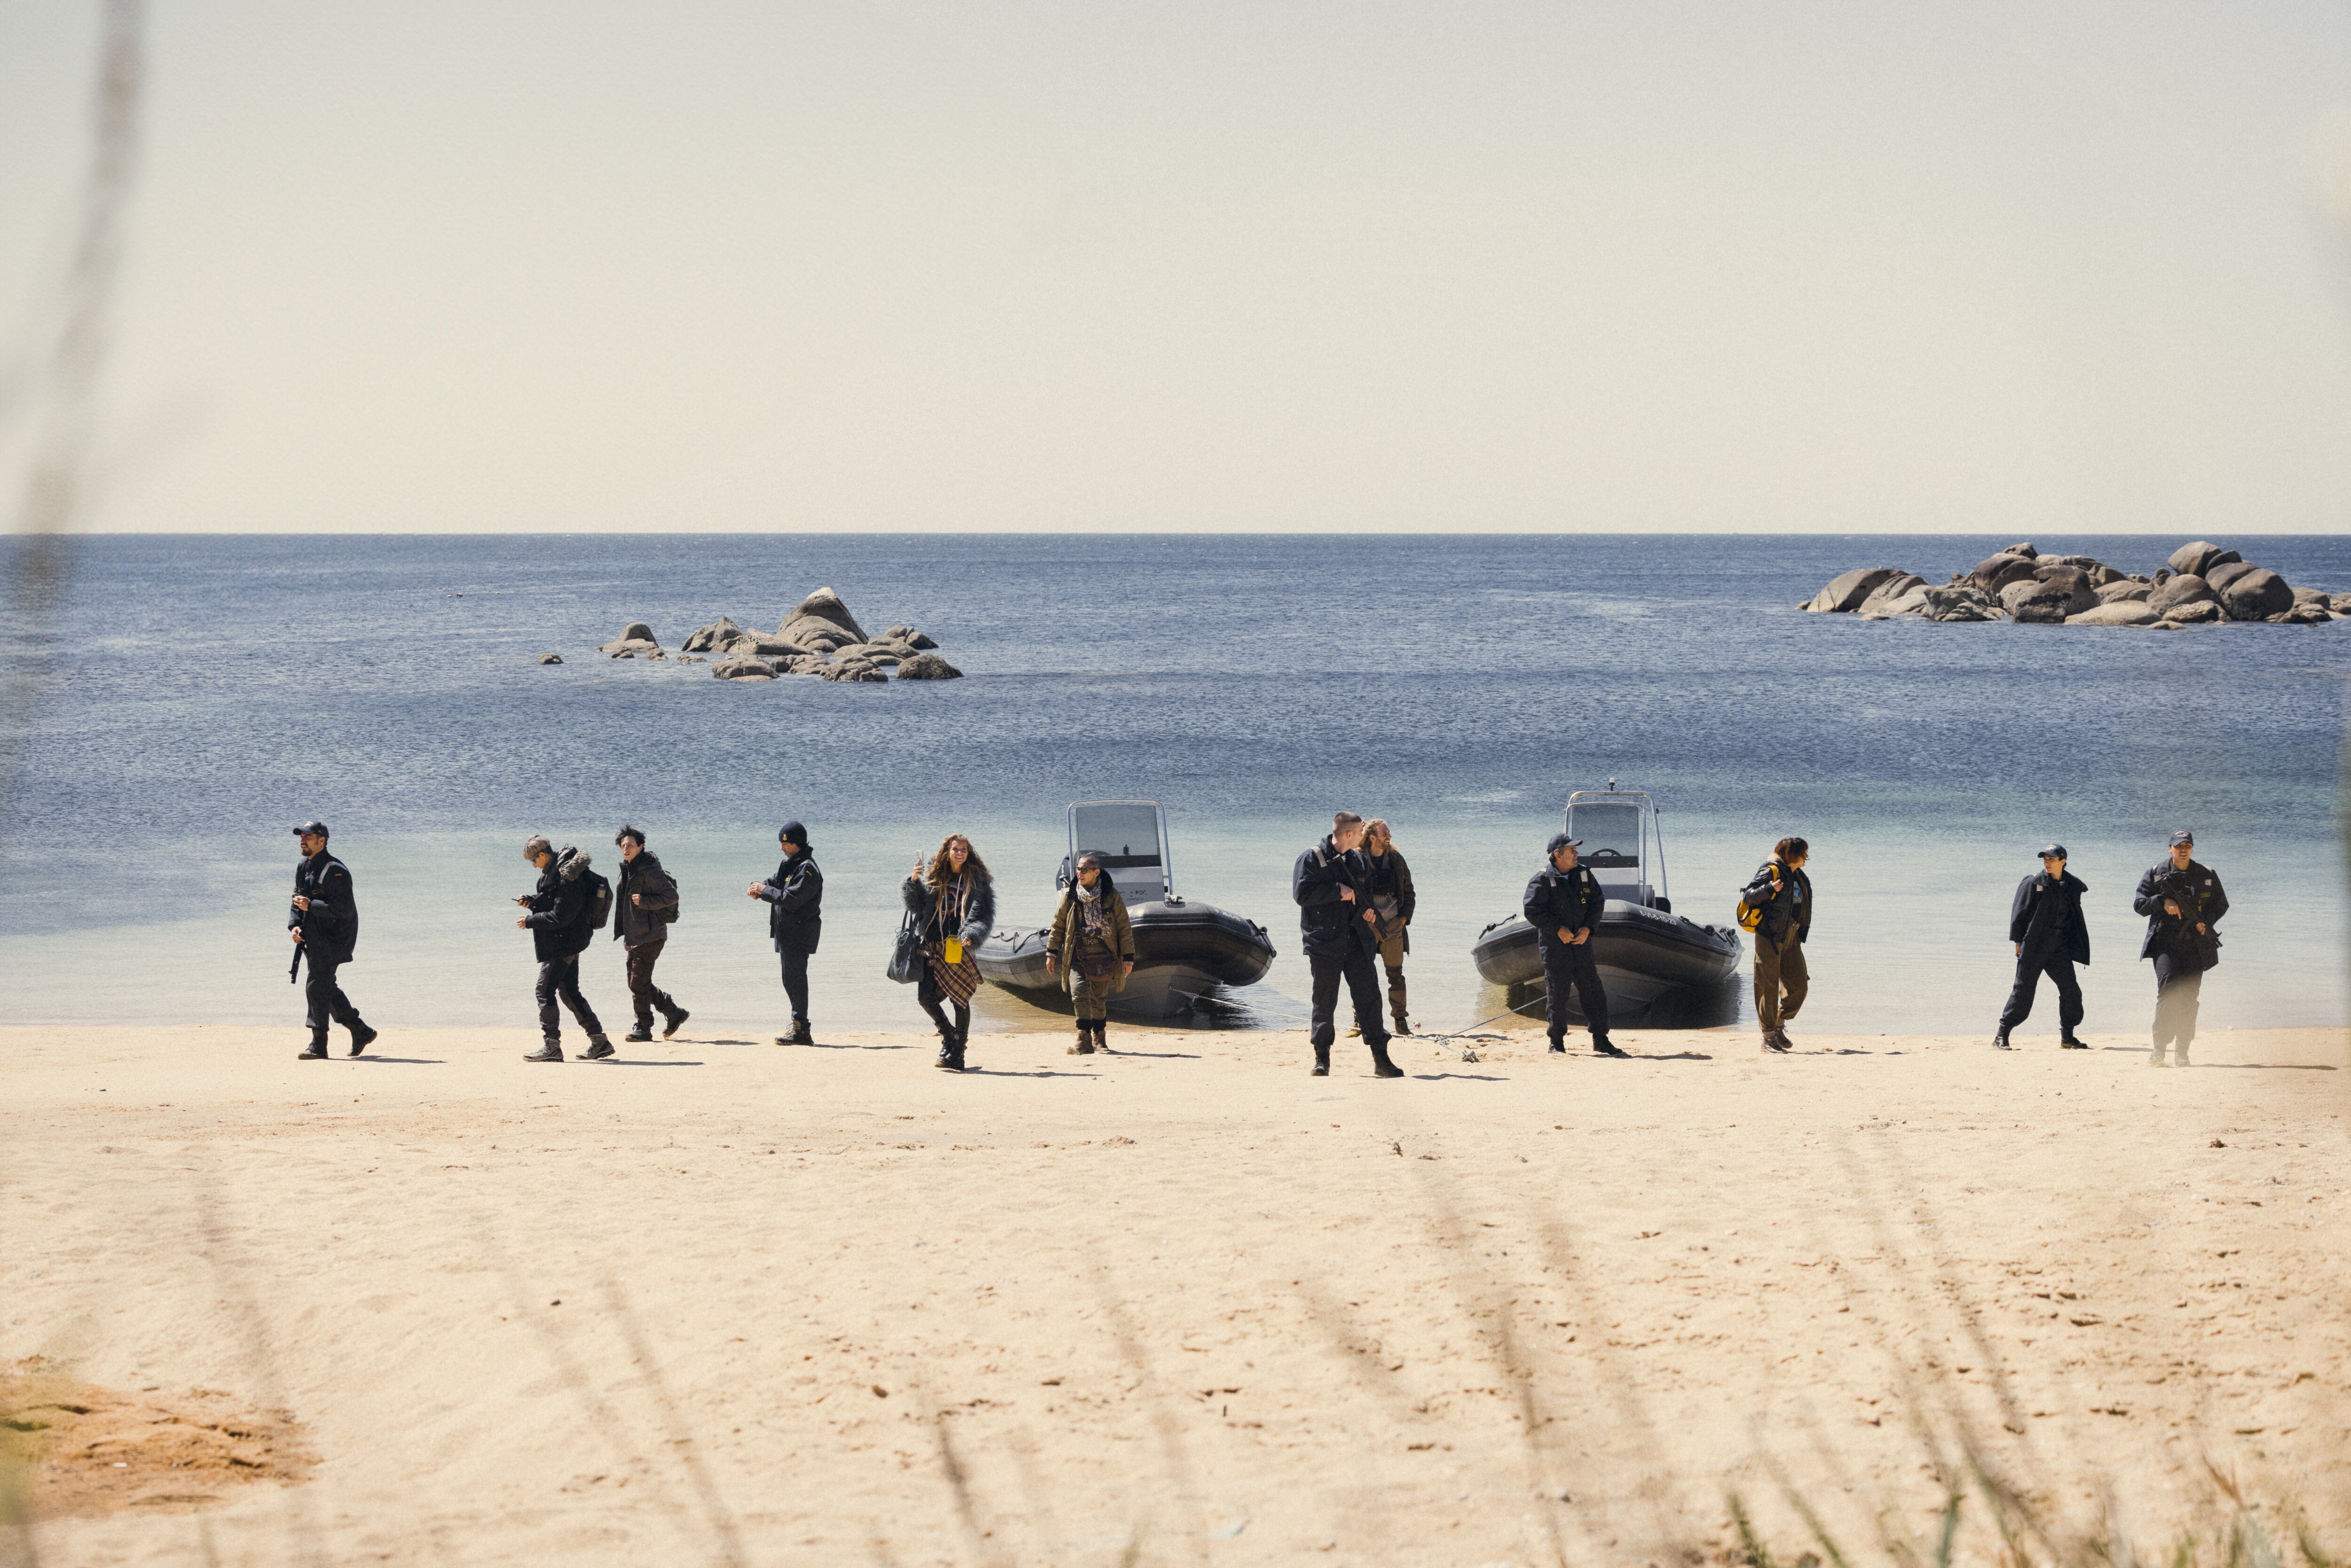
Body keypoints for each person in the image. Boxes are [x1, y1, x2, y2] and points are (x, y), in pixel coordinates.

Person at [1292, 811, 1403, 1079]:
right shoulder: (1311, 858)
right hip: (1324, 943)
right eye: (1360, 832)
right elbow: (1301, 894)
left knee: (1370, 1001)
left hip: (1357, 942)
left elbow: (1364, 897)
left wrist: (1369, 913)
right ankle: (1322, 1060)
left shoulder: (1358, 860)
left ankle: (1381, 1059)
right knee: (1324, 1002)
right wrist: (1336, 891)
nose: (1364, 836)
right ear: (1349, 834)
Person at [2133, 830, 2227, 1067]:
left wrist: (2206, 922)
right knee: (2168, 994)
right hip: (2165, 944)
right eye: (2178, 846)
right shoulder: (2156, 873)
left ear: (2192, 849)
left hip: (2196, 945)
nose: (2183, 849)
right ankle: (2159, 1050)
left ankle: (2182, 1051)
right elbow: (2139, 905)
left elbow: (2221, 904)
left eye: (2188, 845)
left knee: (2189, 999)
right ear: (2170, 849)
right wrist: (2161, 902)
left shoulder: (2206, 874)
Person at [1523, 832, 1621, 1056]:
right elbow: (1532, 910)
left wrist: (1589, 928)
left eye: (1576, 850)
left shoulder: (1584, 874)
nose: (1576, 853)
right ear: (1558, 855)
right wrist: (1558, 929)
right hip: (1555, 946)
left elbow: (1597, 902)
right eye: (1571, 850)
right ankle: (1556, 1043)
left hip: (1582, 943)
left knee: (1594, 992)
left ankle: (1601, 1040)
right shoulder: (1542, 879)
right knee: (1558, 994)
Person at [515, 835, 612, 1063]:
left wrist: (530, 921)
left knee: (544, 991)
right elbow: (552, 900)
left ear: (542, 855)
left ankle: (552, 1046)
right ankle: (600, 1042)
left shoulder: (566, 876)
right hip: (568, 940)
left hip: (564, 942)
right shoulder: (555, 872)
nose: (533, 865)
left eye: (533, 861)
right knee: (569, 991)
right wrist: (533, 901)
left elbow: (562, 916)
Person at [903, 834, 994, 1072]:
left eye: (964, 849)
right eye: (956, 849)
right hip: (931, 943)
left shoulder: (977, 880)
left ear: (969, 852)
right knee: (925, 997)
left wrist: (971, 935)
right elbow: (918, 907)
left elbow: (982, 916)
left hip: (957, 944)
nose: (960, 853)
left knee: (960, 998)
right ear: (948, 852)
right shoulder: (935, 875)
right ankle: (950, 1036)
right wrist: (914, 882)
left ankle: (958, 1051)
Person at [288, 820, 376, 1060]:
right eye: (301, 837)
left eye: (307, 837)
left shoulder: (336, 870)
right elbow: (297, 899)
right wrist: (295, 925)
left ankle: (319, 1045)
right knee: (325, 986)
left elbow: (344, 909)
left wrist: (312, 905)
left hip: (337, 937)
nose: (302, 841)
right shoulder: (303, 866)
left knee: (316, 986)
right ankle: (361, 1031)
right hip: (314, 934)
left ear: (322, 841)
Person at [1995, 843, 2088, 1050]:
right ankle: (2002, 1034)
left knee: (2071, 991)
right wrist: (2018, 941)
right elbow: (2020, 912)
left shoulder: (2072, 885)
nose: (2047, 863)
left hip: (2058, 947)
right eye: (2045, 859)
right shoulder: (2033, 883)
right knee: (2023, 991)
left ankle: (2068, 1037)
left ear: (2063, 861)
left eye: (2052, 859)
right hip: (2034, 944)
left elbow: (2074, 916)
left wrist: (2076, 944)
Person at [1046, 851, 1135, 1055]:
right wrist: (1051, 952)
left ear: (1096, 872)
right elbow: (1058, 924)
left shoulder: (1111, 896)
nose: (1079, 873)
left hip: (1104, 956)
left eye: (1084, 870)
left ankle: (1100, 1038)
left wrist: (1128, 958)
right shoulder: (1072, 896)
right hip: (1078, 955)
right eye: (1078, 869)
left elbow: (1124, 928)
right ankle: (1083, 1038)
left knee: (1099, 999)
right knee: (1078, 995)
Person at [612, 826, 688, 1042]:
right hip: (635, 935)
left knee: (638, 983)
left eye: (630, 845)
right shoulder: (629, 868)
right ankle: (674, 1013)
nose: (626, 849)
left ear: (641, 847)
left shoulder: (649, 870)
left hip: (651, 935)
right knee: (636, 983)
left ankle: (644, 1027)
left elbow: (672, 896)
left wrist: (645, 902)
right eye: (623, 845)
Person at [750, 821, 823, 1046]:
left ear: (797, 844)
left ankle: (801, 1030)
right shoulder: (792, 864)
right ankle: (800, 1027)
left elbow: (791, 900)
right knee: (790, 980)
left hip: (799, 933)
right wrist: (759, 886)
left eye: (786, 844)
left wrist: (764, 892)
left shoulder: (808, 869)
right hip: (787, 933)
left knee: (795, 981)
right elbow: (775, 882)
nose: (782, 848)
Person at [1741, 837, 1813, 1053]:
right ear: (1792, 854)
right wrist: (1769, 889)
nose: (1806, 857)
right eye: (1803, 853)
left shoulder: (1797, 874)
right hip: (1769, 935)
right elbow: (1749, 896)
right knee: (1768, 987)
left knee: (1799, 987)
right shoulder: (1771, 870)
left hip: (1791, 935)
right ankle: (1768, 1038)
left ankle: (1779, 1024)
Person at [1361, 819, 1417, 1036]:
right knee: (1363, 974)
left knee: (1396, 974)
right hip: (1365, 927)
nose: (1390, 836)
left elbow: (1409, 893)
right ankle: (1360, 1020)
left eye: (1390, 832)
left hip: (1394, 925)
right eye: (1385, 833)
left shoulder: (1396, 860)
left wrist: (1403, 919)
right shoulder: (1357, 859)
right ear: (1372, 838)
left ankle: (1401, 1020)